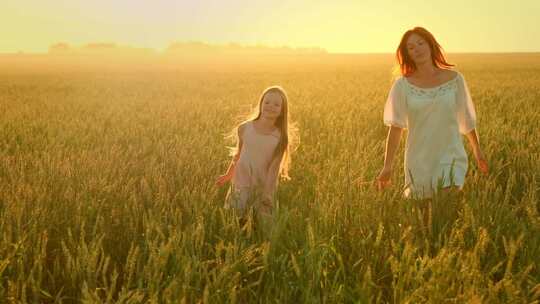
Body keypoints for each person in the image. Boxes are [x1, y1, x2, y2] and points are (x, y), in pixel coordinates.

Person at [377, 27, 489, 199]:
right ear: (407, 54)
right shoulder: (402, 85)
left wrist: (477, 150)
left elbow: (466, 119)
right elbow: (396, 127)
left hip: (450, 154)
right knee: (427, 217)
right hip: (419, 158)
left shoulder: (455, 79)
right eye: (411, 47)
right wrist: (387, 166)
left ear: (430, 45)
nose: (417, 49)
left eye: (421, 43)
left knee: (446, 201)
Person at [216, 86, 294, 220]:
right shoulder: (244, 128)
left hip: (262, 187)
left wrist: (268, 195)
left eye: (276, 104)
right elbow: (238, 155)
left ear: (282, 111)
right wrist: (228, 174)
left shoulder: (280, 137)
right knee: (234, 220)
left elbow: (274, 169)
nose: (270, 106)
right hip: (241, 184)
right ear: (261, 104)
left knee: (261, 223)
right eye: (267, 102)